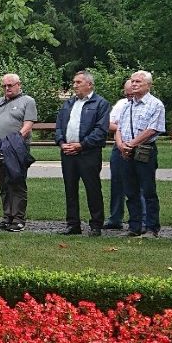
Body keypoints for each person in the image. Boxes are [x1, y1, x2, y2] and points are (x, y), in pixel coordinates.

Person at [54, 71, 111, 236]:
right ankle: (73, 224)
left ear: (89, 84)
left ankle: (96, 224)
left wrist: (81, 145)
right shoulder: (69, 103)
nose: (74, 85)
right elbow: (59, 125)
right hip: (68, 153)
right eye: (74, 82)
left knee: (92, 188)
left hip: (88, 153)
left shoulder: (100, 104)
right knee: (70, 189)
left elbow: (101, 130)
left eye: (78, 82)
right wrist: (62, 143)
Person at [112, 71, 165, 238]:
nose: (134, 84)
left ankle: (151, 227)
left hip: (144, 151)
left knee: (148, 189)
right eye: (132, 81)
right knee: (130, 190)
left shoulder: (155, 105)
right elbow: (119, 127)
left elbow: (152, 129)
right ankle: (134, 226)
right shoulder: (127, 105)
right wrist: (121, 144)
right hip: (126, 151)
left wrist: (132, 144)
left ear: (148, 85)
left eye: (138, 82)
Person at [0, 73, 36, 232]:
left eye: (10, 85)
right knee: (3, 184)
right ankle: (7, 216)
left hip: (16, 149)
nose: (7, 88)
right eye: (4, 86)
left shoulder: (28, 101)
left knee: (17, 183)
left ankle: (18, 218)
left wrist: (14, 141)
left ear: (19, 85)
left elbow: (28, 125)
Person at [103, 79, 134, 230]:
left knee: (139, 184)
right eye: (126, 94)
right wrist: (121, 138)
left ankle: (141, 219)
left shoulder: (150, 104)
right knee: (117, 182)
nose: (128, 97)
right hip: (119, 145)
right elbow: (109, 124)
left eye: (131, 94)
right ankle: (115, 218)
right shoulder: (122, 104)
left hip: (138, 147)